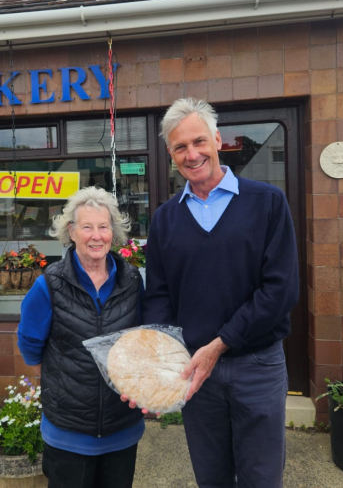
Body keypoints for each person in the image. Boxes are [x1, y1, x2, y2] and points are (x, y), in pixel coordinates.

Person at [124, 98, 299, 488]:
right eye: (180, 147)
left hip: (257, 365)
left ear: (218, 140)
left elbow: (280, 290)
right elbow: (160, 297)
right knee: (211, 476)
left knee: (261, 477)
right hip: (195, 375)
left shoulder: (267, 202)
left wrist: (220, 343)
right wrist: (160, 367)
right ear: (170, 154)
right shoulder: (165, 219)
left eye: (199, 141)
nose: (192, 154)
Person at [18, 186, 145, 488]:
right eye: (87, 227)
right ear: (71, 232)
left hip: (121, 428)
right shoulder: (50, 283)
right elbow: (30, 345)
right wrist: (60, 382)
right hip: (68, 433)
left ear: (113, 234)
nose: (96, 236)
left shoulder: (131, 281)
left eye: (103, 227)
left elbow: (143, 339)